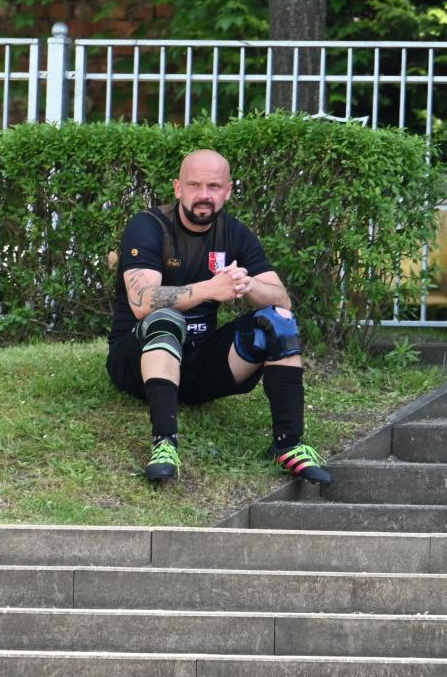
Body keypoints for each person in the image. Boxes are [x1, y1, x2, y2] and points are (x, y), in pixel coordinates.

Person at [106, 149, 332, 484]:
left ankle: (288, 444)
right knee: (165, 318)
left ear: (227, 191)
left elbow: (282, 299)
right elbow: (141, 302)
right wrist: (210, 288)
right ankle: (164, 444)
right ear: (178, 188)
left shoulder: (234, 232)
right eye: (194, 185)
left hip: (200, 369)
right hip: (137, 365)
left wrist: (249, 284)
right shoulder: (149, 226)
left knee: (278, 320)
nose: (204, 195)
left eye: (213, 186)